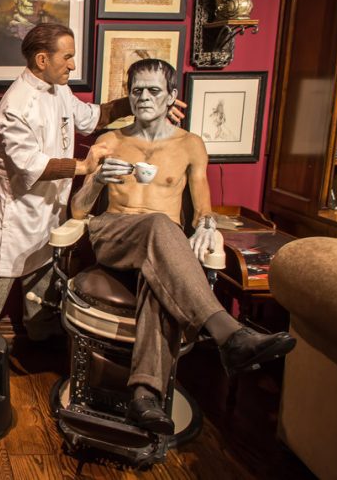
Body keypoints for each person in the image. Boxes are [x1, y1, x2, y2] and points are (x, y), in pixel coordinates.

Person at [70, 58, 295, 434]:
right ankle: (228, 333)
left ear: (171, 95)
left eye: (154, 90)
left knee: (159, 277)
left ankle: (144, 397)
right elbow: (78, 210)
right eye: (137, 90)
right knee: (160, 226)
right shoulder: (110, 141)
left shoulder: (190, 145)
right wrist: (96, 181)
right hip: (113, 234)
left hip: (162, 246)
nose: (144, 97)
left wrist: (207, 226)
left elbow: (203, 210)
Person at [0, 23, 175, 339]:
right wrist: (85, 166)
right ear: (42, 59)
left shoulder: (58, 89)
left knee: (42, 296)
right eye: (67, 57)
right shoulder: (15, 106)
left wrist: (139, 103)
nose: (73, 65)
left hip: (49, 213)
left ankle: (41, 346)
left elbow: (91, 117)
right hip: (16, 220)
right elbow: (31, 166)